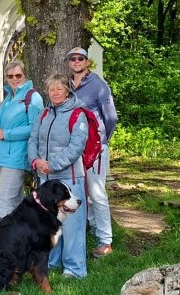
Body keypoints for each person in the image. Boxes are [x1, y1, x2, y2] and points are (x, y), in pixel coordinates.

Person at [27, 74, 89, 279]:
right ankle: (52, 262)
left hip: (69, 178)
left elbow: (76, 147)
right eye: (51, 89)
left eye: (59, 89)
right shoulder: (44, 113)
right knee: (51, 223)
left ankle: (74, 269)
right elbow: (33, 139)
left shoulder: (77, 114)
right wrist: (36, 161)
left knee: (72, 225)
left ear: (67, 91)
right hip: (46, 178)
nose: (55, 93)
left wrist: (51, 165)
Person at [66, 46, 118, 258]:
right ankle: (90, 234)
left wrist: (101, 139)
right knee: (81, 194)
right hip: (74, 148)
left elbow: (111, 118)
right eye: (73, 59)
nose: (77, 61)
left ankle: (106, 240)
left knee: (97, 193)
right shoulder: (67, 86)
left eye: (81, 58)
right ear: (69, 62)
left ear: (87, 62)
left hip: (95, 148)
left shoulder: (98, 85)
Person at [0, 61, 43, 219]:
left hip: (17, 157)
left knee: (3, 201)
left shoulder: (33, 97)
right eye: (10, 76)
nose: (14, 79)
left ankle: (4, 241)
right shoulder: (8, 98)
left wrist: (7, 134)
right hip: (3, 156)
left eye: (18, 75)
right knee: (16, 204)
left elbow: (35, 128)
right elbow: (2, 126)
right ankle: (20, 241)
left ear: (25, 76)